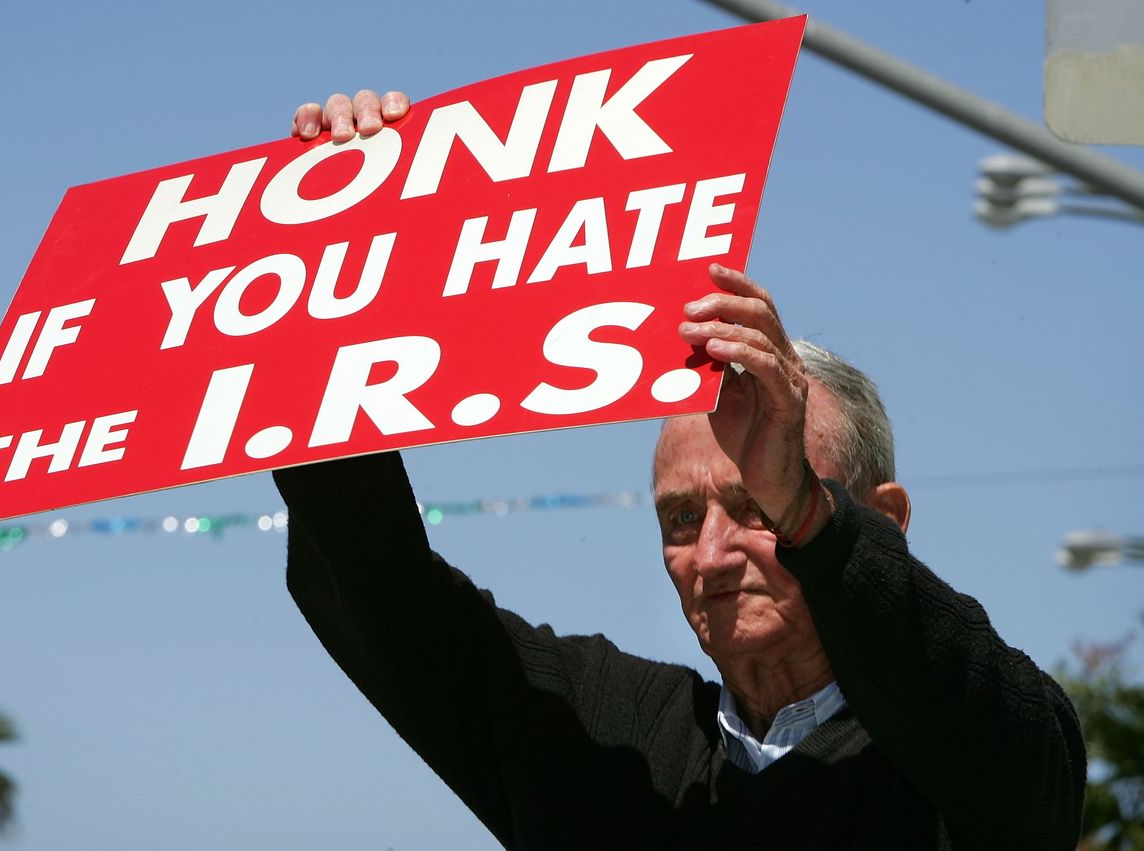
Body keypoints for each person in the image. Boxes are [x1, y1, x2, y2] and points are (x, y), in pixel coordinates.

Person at [274, 92, 1087, 849]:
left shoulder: (954, 755)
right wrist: (338, 287)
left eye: (761, 500)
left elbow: (1026, 771)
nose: (712, 554)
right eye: (679, 519)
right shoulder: (614, 741)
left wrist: (811, 520)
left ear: (884, 519)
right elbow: (382, 597)